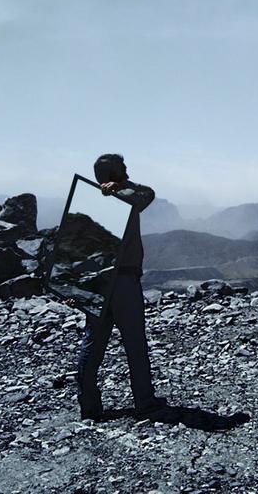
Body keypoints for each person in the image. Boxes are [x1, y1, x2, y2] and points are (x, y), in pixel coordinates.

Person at [74, 153, 168, 421]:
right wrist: (122, 186)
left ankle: (89, 406)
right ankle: (145, 402)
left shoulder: (87, 203)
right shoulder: (125, 197)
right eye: (122, 168)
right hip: (123, 280)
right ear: (113, 174)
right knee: (135, 342)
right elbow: (148, 193)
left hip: (98, 283)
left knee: (93, 343)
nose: (126, 170)